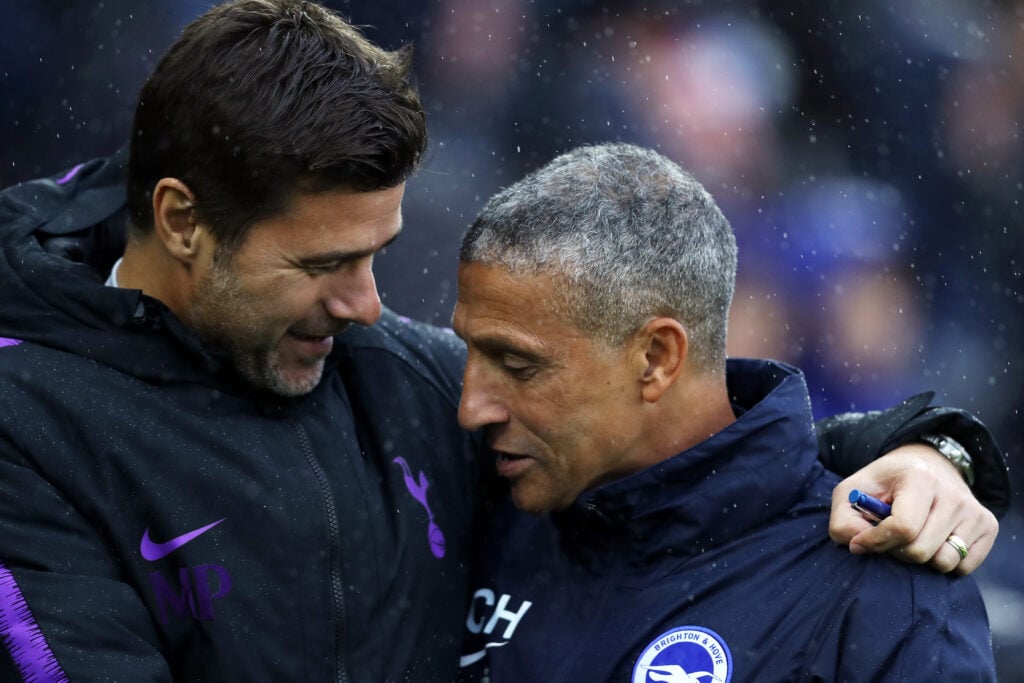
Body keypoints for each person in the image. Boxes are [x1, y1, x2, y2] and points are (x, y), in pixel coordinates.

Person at [0, 2, 1008, 681]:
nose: (362, 304)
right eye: (319, 266)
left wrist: (930, 448)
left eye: (377, 255)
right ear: (181, 221)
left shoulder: (395, 379)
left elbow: (693, 451)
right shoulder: (29, 430)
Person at [453, 143, 999, 681]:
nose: (470, 408)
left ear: (656, 358)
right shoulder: (464, 498)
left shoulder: (879, 600)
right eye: (468, 353)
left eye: (517, 365)